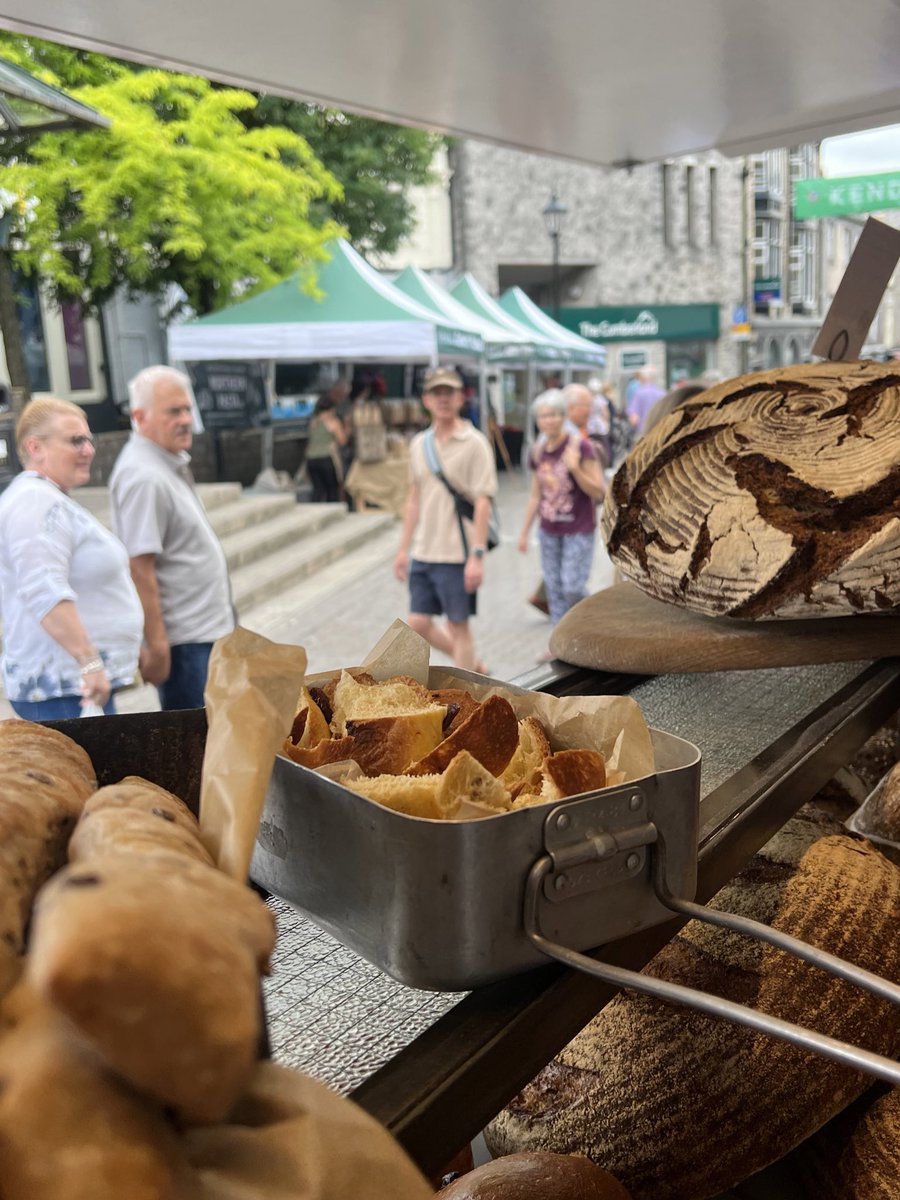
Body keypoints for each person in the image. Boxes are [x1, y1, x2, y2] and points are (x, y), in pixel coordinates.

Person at [0, 397, 143, 719]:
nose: (88, 450)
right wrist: (90, 663)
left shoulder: (47, 498)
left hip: (74, 685)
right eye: (75, 440)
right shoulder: (34, 502)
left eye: (89, 440)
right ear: (35, 448)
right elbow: (44, 590)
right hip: (65, 689)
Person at [109, 365, 235, 710]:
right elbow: (140, 567)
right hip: (185, 644)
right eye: (173, 411)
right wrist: (157, 645)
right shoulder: (143, 476)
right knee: (196, 747)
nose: (185, 419)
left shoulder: (164, 461)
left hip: (204, 633)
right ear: (140, 417)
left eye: (187, 409)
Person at [393, 366, 497, 673]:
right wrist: (403, 549)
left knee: (458, 626)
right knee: (418, 623)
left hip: (458, 552)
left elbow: (483, 502)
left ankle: (468, 688)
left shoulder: (475, 442)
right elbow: (414, 499)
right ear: (426, 399)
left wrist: (477, 555)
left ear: (461, 397)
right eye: (436, 393)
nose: (443, 399)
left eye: (449, 392)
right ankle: (474, 667)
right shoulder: (418, 444)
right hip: (425, 550)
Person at [518, 388, 605, 648]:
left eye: (555, 415)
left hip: (578, 528)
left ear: (564, 416)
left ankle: (594, 616)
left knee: (572, 586)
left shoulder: (581, 446)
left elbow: (599, 491)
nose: (550, 420)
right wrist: (524, 532)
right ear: (537, 421)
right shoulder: (537, 451)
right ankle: (559, 646)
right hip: (548, 530)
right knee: (554, 589)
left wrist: (575, 468)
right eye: (544, 416)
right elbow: (536, 495)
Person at [305, 393, 348, 503]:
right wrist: (347, 429)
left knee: (318, 490)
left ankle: (312, 512)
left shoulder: (313, 422)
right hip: (326, 459)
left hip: (311, 460)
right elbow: (342, 441)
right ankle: (332, 515)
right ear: (331, 409)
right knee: (332, 490)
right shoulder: (333, 422)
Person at [626, 366, 666, 433]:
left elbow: (634, 419)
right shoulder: (662, 393)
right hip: (660, 432)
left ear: (643, 378)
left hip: (644, 433)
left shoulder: (639, 393)